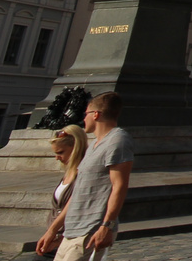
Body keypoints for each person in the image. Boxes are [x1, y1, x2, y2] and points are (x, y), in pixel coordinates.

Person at [36, 90, 134, 261]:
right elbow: (77, 194)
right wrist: (53, 230)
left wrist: (107, 225)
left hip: (91, 230)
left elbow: (119, 186)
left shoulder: (117, 140)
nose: (83, 118)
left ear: (96, 114)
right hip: (71, 232)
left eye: (86, 114)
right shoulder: (93, 146)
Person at [38, 125, 87, 255]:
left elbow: (72, 204)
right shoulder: (68, 172)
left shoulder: (83, 173)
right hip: (57, 237)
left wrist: (53, 231)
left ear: (75, 148)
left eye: (60, 152)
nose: (57, 157)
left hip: (71, 236)